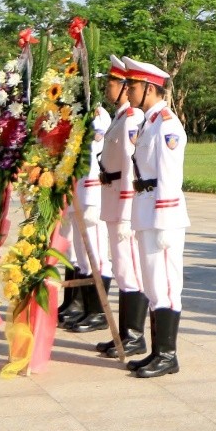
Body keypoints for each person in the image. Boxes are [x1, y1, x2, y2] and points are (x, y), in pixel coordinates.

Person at [122, 57, 188, 378]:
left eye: (132, 86)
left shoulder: (167, 125)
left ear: (150, 88)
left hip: (163, 217)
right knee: (151, 283)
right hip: (145, 211)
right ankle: (157, 351)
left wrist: (164, 222)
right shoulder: (149, 123)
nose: (128, 91)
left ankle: (168, 355)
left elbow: (170, 177)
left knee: (165, 284)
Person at [96, 55, 146, 358]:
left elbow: (130, 167)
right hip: (112, 198)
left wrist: (127, 211)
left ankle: (134, 336)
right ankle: (126, 334)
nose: (110, 89)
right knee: (122, 267)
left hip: (122, 201)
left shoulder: (131, 120)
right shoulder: (119, 117)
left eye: (113, 84)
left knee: (129, 269)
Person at [60, 75, 113, 333]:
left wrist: (91, 200)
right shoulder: (78, 116)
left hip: (92, 197)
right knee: (80, 255)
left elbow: (94, 160)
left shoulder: (98, 117)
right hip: (77, 193)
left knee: (96, 255)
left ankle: (97, 312)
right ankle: (78, 305)